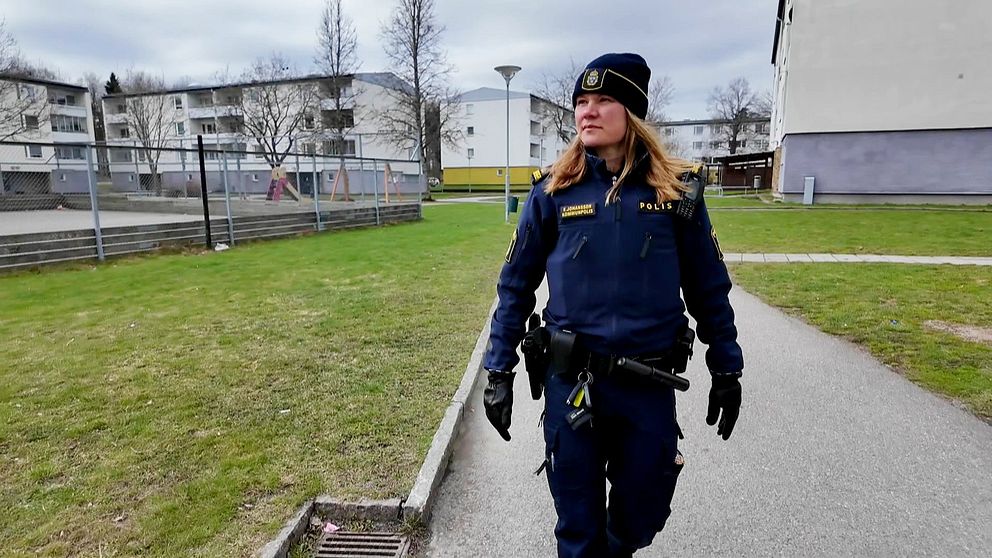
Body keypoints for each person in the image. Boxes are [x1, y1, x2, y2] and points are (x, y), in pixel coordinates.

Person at [482, 53, 744, 558]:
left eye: (604, 101)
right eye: (581, 101)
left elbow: (709, 287)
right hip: (573, 387)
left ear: (633, 113)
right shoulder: (553, 192)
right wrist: (498, 371)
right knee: (577, 529)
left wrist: (727, 369)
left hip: (647, 388)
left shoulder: (676, 194)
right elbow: (515, 288)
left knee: (643, 514)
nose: (588, 111)